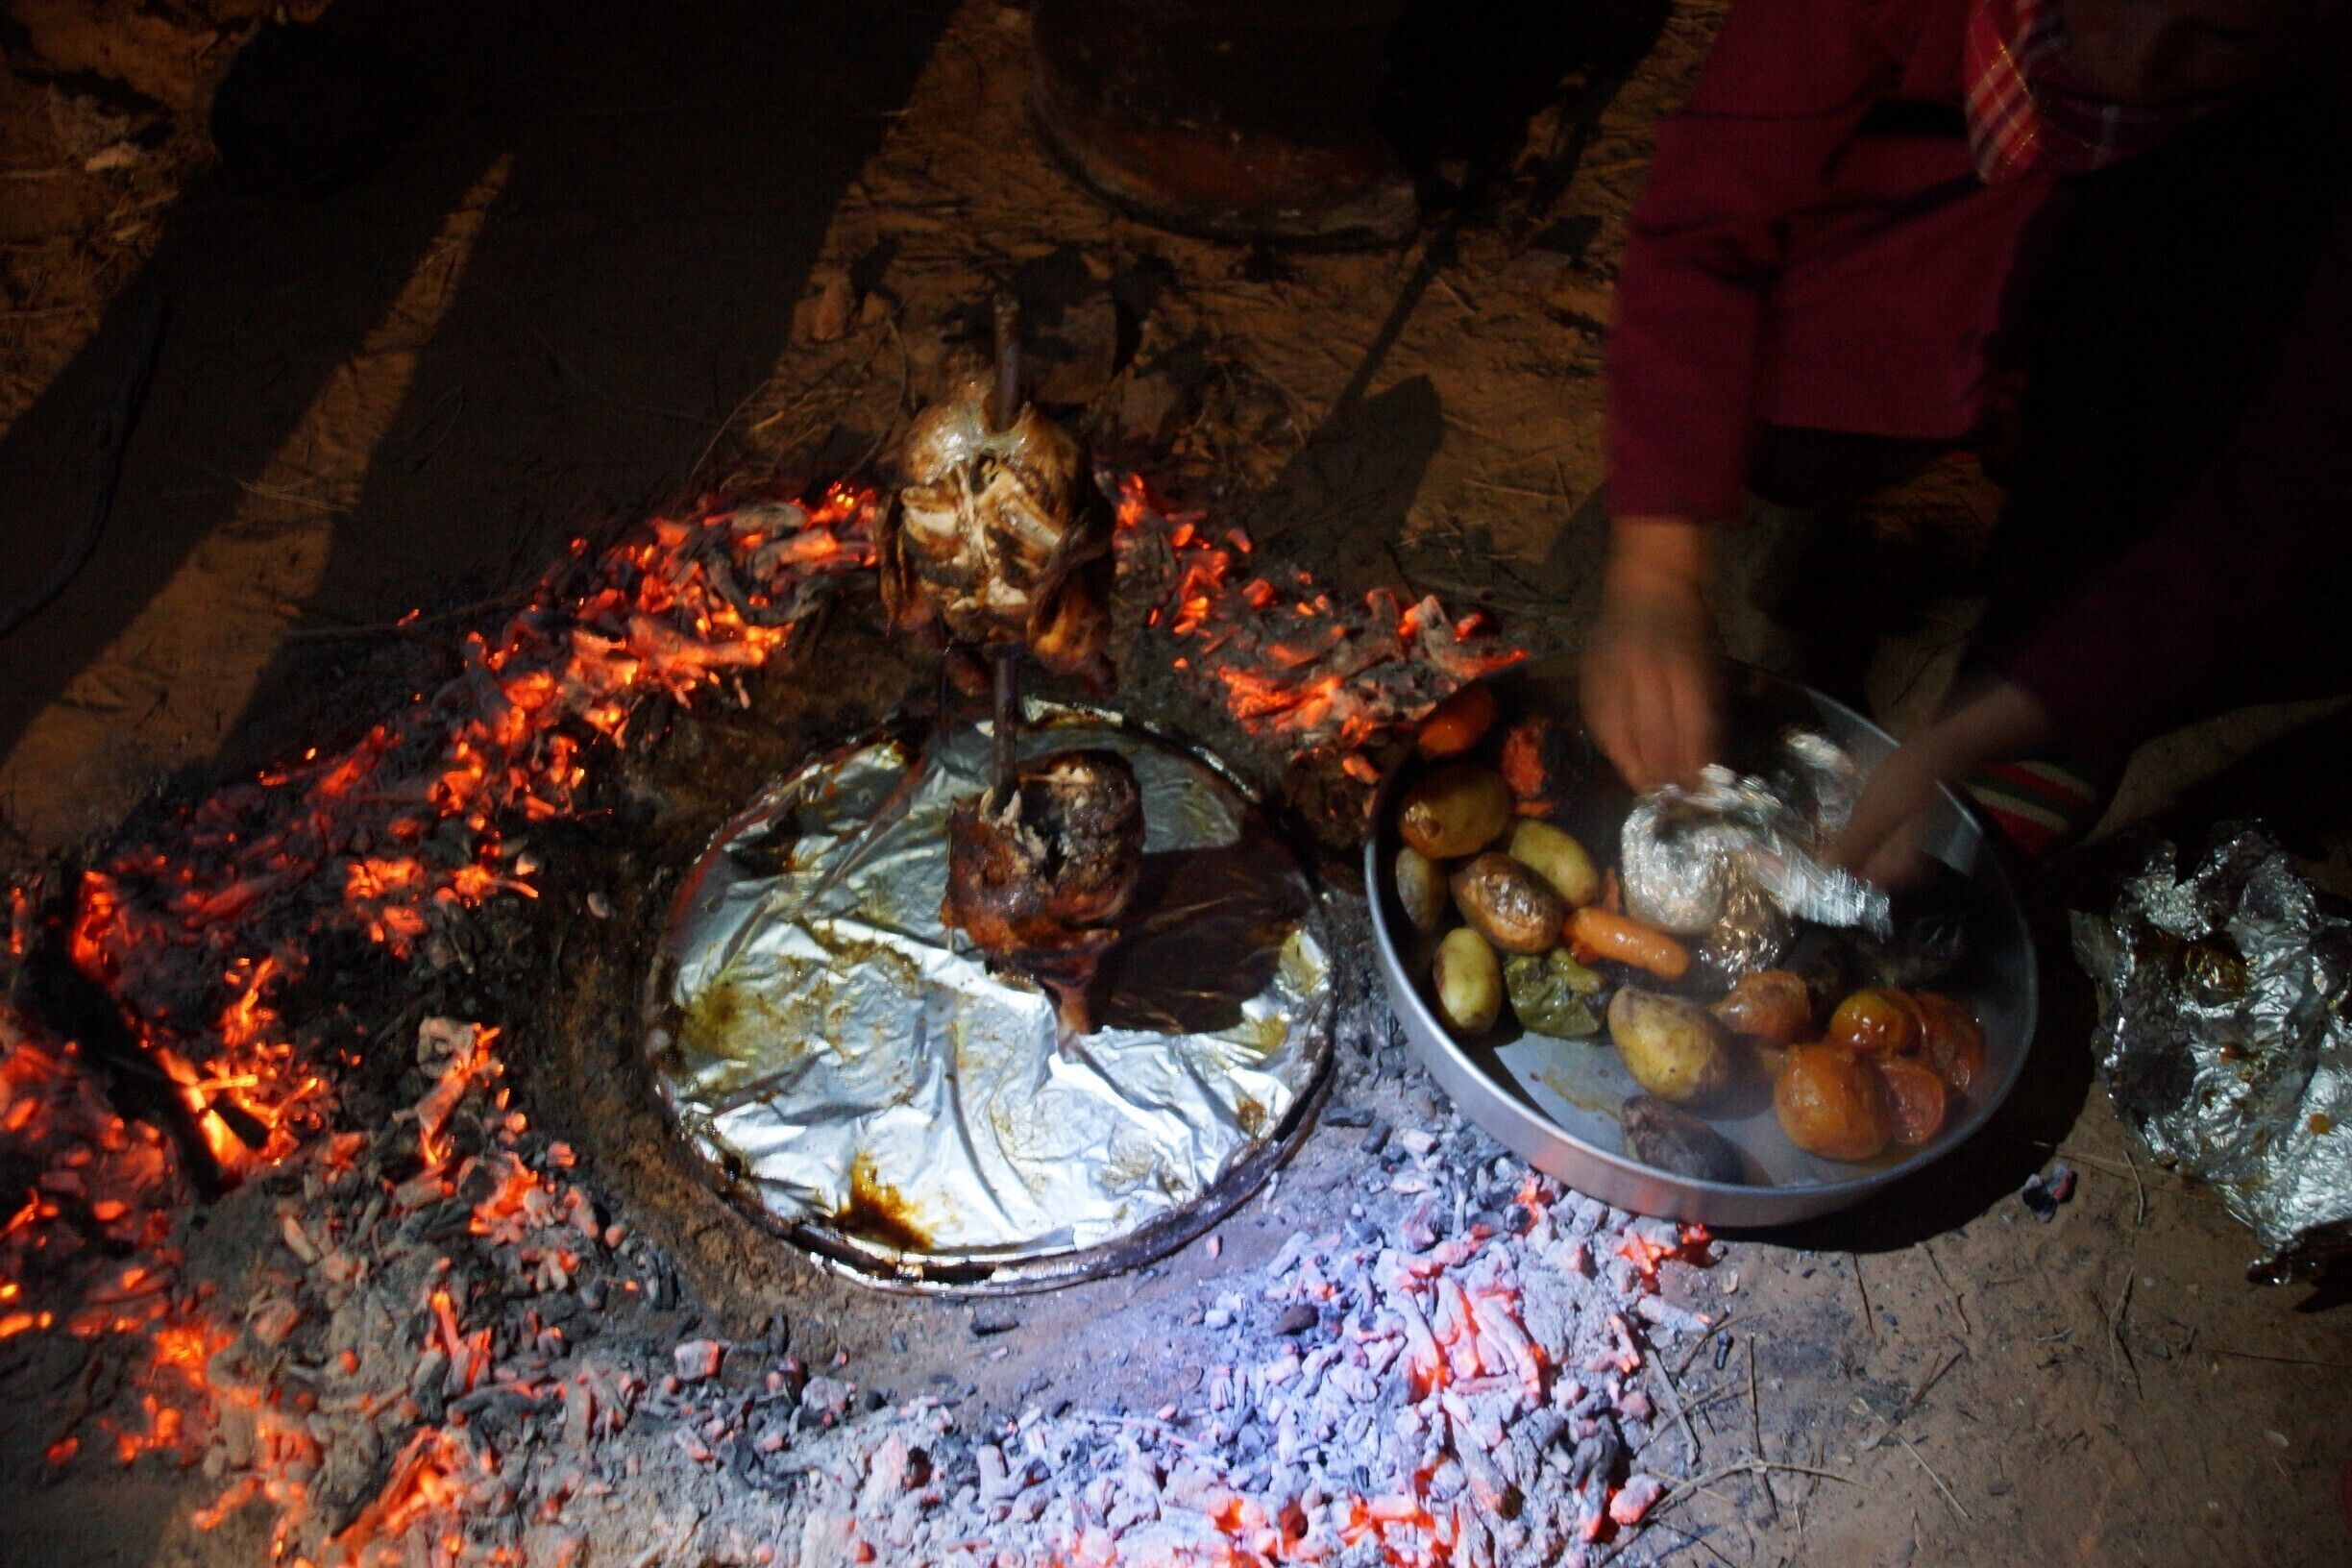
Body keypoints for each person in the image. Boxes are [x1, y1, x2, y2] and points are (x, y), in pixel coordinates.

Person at [1582, 0, 2350, 883]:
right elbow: (1708, 218)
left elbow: (2291, 472)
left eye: (2223, 32)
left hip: (2216, 212)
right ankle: (2003, 382)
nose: (2137, 70)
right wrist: (1657, 565)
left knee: (2190, 394)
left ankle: (2067, 652)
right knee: (1799, 433)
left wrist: (2013, 713)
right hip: (1976, 190)